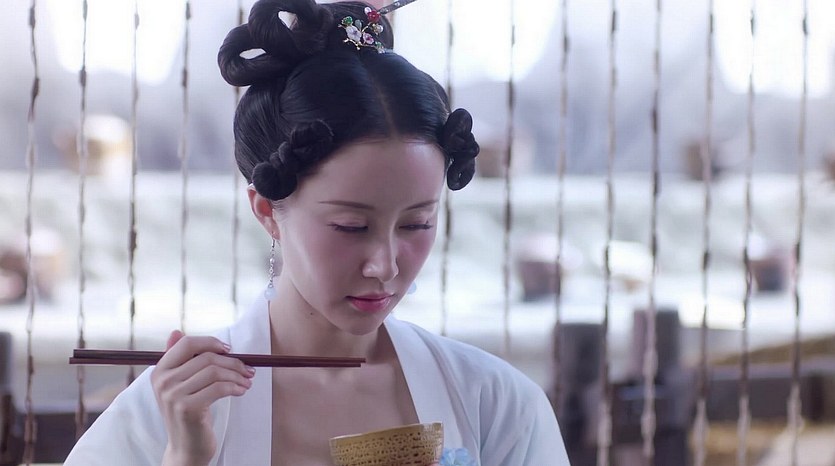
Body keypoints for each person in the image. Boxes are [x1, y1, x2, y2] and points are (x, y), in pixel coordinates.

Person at [64, 0, 570, 464]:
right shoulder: (170, 413)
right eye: (351, 226)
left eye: (417, 223)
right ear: (266, 210)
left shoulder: (494, 403)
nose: (385, 265)